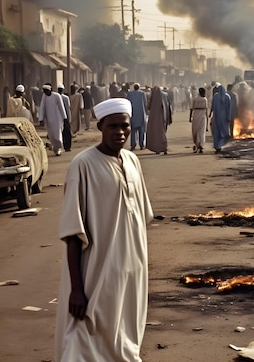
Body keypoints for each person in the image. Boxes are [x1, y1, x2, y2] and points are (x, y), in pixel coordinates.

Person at [55, 98, 153, 362]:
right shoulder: (82, 164)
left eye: (125, 126)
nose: (120, 132)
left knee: (125, 338)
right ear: (101, 126)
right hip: (96, 272)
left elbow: (140, 218)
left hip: (131, 272)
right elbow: (72, 232)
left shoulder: (132, 161)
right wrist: (77, 288)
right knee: (84, 336)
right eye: (113, 126)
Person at [38, 83, 66, 156]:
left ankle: (59, 148)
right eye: (44, 91)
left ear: (50, 90)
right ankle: (55, 149)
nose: (45, 92)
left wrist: (64, 117)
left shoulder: (57, 96)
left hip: (57, 119)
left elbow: (61, 107)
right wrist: (41, 119)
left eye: (46, 91)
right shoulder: (44, 97)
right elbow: (42, 107)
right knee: (51, 136)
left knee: (58, 136)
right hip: (49, 120)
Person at [210, 83, 232, 153]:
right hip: (224, 118)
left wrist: (211, 114)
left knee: (217, 132)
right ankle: (220, 145)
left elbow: (212, 107)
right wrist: (229, 117)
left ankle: (217, 146)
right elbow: (229, 108)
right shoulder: (227, 96)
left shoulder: (215, 96)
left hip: (216, 117)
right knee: (225, 133)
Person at [126, 83, 148, 150]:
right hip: (141, 114)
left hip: (132, 114)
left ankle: (133, 145)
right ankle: (141, 145)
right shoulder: (142, 94)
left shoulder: (129, 94)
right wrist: (146, 112)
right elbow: (145, 103)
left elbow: (127, 103)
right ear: (139, 88)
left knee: (133, 131)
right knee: (141, 130)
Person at [189, 87, 208, 153]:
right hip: (202, 117)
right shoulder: (205, 99)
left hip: (196, 116)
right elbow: (206, 110)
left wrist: (190, 117)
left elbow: (191, 108)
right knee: (201, 132)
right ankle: (201, 145)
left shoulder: (195, 99)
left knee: (195, 131)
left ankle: (197, 144)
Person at [57, 83, 72, 152]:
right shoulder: (66, 98)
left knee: (59, 132)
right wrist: (69, 118)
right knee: (66, 132)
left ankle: (60, 147)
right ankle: (67, 147)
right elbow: (68, 108)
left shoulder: (56, 97)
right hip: (65, 117)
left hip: (58, 117)